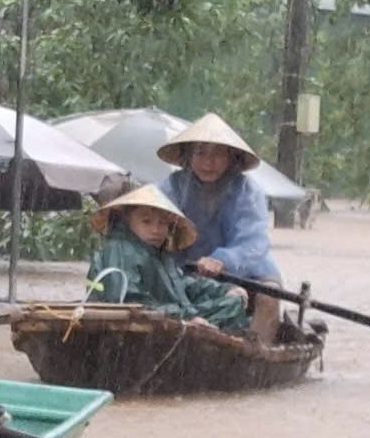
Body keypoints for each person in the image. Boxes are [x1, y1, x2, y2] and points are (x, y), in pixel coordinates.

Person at [157, 113, 282, 342]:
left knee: (269, 298)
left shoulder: (247, 190)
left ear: (231, 157)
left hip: (247, 270)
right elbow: (156, 229)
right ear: (188, 155)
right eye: (200, 152)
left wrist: (223, 260)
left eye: (218, 153)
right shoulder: (171, 187)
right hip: (187, 269)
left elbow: (254, 241)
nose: (208, 162)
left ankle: (254, 358)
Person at [86, 184, 249, 332]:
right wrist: (184, 318)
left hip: (169, 315)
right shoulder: (120, 249)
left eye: (162, 223)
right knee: (228, 311)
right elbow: (131, 302)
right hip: (136, 326)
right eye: (146, 221)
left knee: (233, 302)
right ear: (127, 221)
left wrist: (223, 290)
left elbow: (183, 286)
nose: (155, 230)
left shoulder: (158, 254)